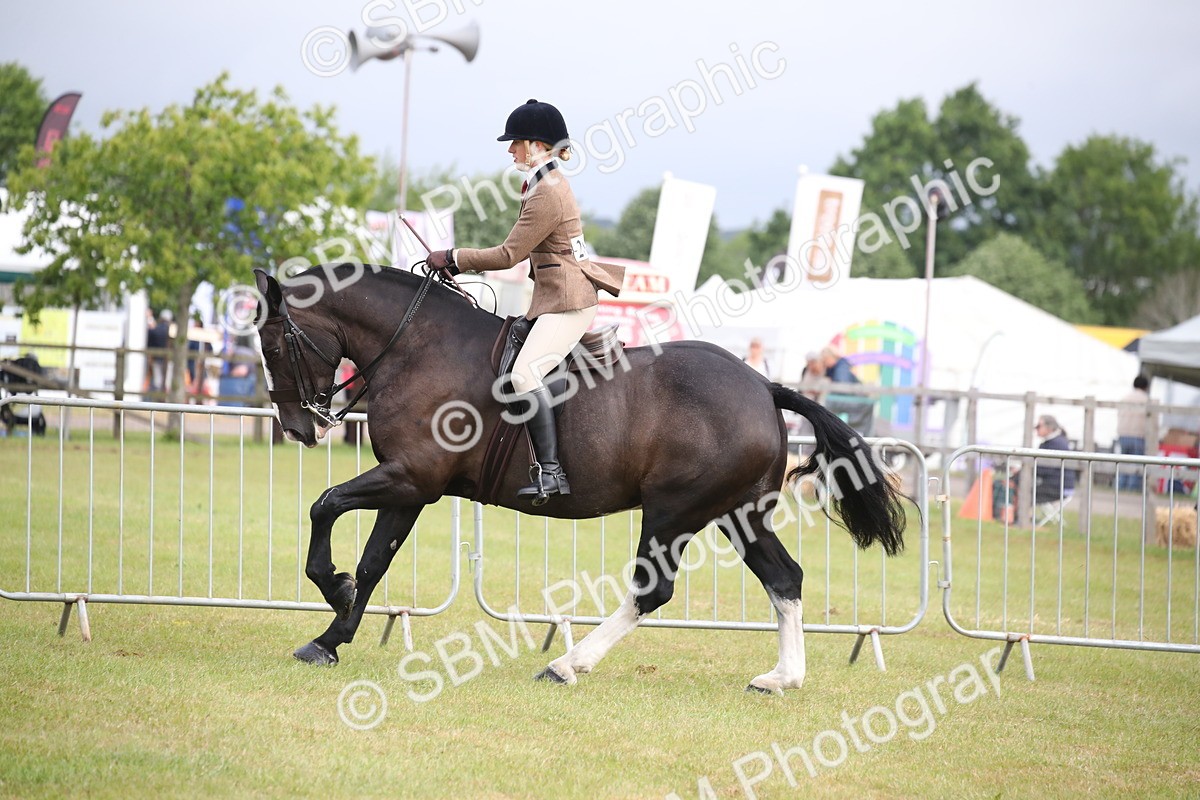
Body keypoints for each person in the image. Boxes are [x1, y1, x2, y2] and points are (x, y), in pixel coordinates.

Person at [427, 99, 625, 503]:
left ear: (536, 145)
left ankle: (551, 473)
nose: (510, 150)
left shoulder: (547, 192)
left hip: (568, 300)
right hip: (554, 296)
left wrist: (454, 257)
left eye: (515, 142)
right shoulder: (543, 183)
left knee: (524, 376)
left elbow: (508, 255)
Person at [1116, 374, 1150, 490]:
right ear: (1145, 386)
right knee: (1137, 466)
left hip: (1123, 434)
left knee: (1123, 464)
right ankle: (1132, 490)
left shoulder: (1125, 398)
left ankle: (1120, 488)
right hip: (1138, 435)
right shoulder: (1146, 400)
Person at [1033, 415, 1076, 505]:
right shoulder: (1052, 442)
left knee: (1023, 489)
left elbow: (1044, 469)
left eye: (1039, 426)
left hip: (1058, 488)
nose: (1036, 428)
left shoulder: (1057, 444)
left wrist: (1026, 469)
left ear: (1049, 428)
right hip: (1054, 485)